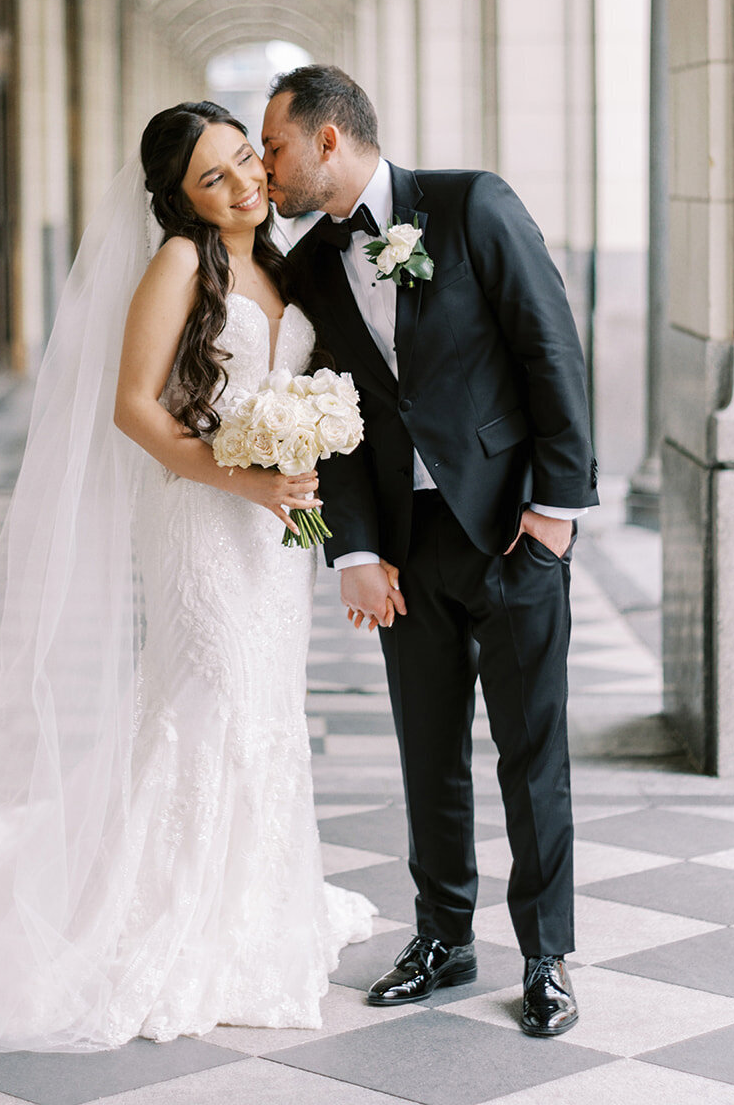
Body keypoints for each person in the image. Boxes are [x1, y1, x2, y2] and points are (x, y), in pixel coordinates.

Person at [0, 101, 374, 1052]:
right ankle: (165, 916)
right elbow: (133, 408)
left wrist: (299, 457)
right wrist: (242, 477)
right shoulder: (180, 265)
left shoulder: (286, 260)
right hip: (201, 521)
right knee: (205, 699)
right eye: (214, 178)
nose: (244, 183)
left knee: (264, 706)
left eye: (247, 160)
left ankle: (250, 907)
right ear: (179, 198)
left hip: (267, 531)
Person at [263, 65, 597, 1039]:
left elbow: (550, 346)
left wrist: (555, 513)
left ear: (329, 140)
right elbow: (341, 418)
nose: (268, 166)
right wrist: (351, 550)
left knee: (533, 753)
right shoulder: (313, 260)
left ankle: (546, 954)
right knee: (427, 752)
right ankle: (443, 937)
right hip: (404, 552)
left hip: (509, 531)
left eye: (275, 145)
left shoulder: (471, 204)